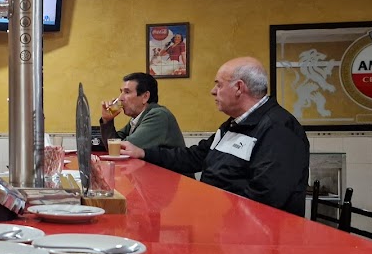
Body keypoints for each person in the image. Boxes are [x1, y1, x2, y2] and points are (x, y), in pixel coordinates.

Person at [121, 57, 310, 215]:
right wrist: (143, 153)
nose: (213, 91)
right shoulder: (233, 124)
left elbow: (265, 198)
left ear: (238, 88)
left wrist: (213, 209)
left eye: (218, 85)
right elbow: (194, 157)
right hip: (219, 220)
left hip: (257, 243)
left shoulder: (279, 129)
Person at [100, 72, 185, 150]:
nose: (120, 98)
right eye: (121, 92)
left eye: (127, 92)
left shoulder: (158, 116)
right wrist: (107, 120)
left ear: (145, 97)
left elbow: (122, 149)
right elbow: (113, 148)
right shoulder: (137, 118)